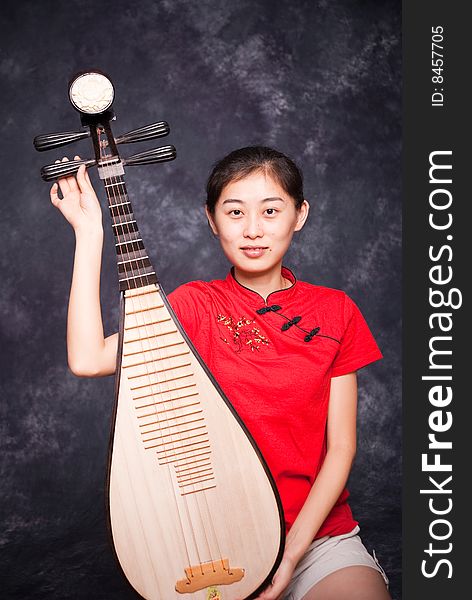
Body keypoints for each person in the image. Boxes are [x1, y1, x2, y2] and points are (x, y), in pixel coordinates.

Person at [50, 146, 391, 600]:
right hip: (217, 543)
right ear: (211, 220)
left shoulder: (336, 311)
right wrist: (90, 233)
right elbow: (88, 358)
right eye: (235, 212)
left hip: (315, 542)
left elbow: (341, 447)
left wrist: (290, 555)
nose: (253, 230)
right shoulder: (197, 305)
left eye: (271, 211)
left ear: (299, 214)